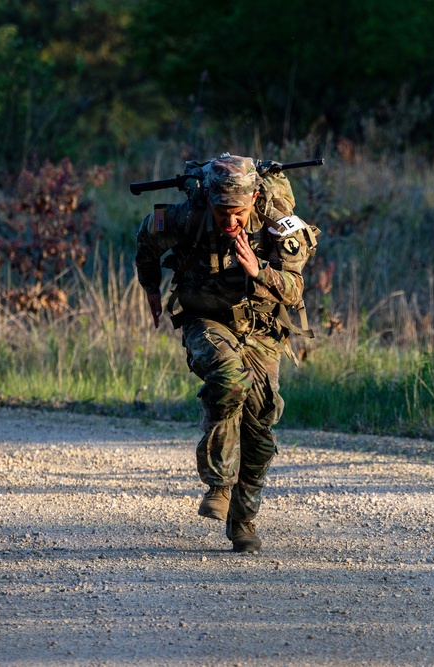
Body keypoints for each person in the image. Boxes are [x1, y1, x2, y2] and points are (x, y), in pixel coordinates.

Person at [135, 154, 318, 553]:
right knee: (229, 377)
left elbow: (295, 290)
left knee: (261, 426)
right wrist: (150, 286)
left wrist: (260, 271)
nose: (229, 221)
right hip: (205, 319)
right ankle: (218, 483)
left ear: (254, 197)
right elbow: (148, 237)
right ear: (208, 201)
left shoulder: (278, 224)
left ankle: (244, 519)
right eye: (221, 212)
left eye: (238, 212)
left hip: (261, 328)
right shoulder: (188, 216)